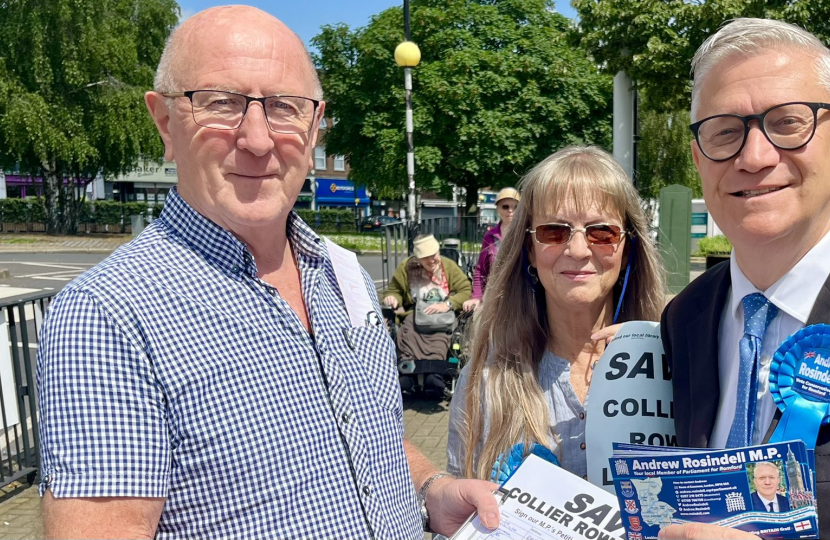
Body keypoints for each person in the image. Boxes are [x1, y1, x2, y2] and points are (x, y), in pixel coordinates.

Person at [36, 6, 499, 539]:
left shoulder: (337, 271)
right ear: (165, 122)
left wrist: (429, 490)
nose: (257, 139)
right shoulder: (107, 317)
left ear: (315, 123)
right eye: (221, 103)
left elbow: (370, 436)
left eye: (284, 107)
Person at [660, 18, 830, 539]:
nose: (755, 158)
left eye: (788, 123)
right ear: (697, 157)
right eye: (725, 132)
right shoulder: (682, 318)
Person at [447, 146, 665, 481]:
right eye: (554, 231)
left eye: (602, 232)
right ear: (530, 250)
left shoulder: (674, 368)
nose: (578, 250)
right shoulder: (484, 381)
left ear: (627, 249)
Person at [383, 234, 472, 361]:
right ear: (418, 258)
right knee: (408, 336)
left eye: (433, 255)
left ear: (438, 251)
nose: (431, 260)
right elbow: (394, 290)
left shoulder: (449, 266)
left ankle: (435, 370)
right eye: (425, 257)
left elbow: (466, 290)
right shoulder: (406, 267)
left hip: (443, 317)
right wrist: (392, 298)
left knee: (441, 340)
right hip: (416, 314)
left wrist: (447, 304)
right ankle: (409, 370)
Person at [464, 187, 520, 312]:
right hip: (494, 296)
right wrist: (477, 296)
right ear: (498, 209)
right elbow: (481, 269)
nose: (510, 211)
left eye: (515, 207)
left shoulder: (526, 234)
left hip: (521, 297)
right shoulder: (490, 237)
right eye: (505, 207)